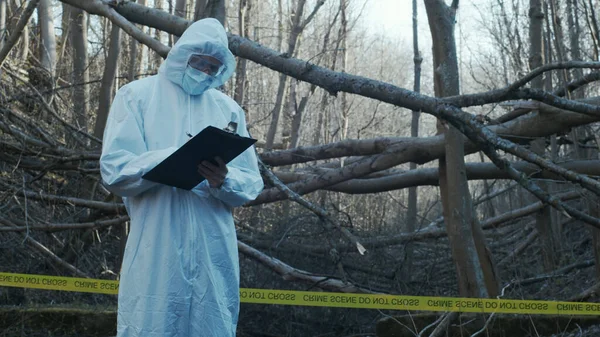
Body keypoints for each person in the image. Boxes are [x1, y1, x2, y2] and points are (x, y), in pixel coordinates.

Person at [100, 18, 264, 337]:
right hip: (156, 250)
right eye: (198, 61)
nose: (205, 70)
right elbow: (114, 171)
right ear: (180, 55)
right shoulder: (137, 97)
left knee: (210, 326)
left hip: (212, 252)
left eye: (213, 66)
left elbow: (251, 184)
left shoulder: (228, 110)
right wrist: (169, 159)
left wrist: (224, 179)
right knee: (152, 325)